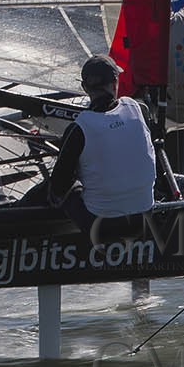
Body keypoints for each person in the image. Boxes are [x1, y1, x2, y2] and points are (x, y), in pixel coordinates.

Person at [32, 55, 157, 236]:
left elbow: (58, 187)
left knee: (55, 187)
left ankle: (11, 212)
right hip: (145, 216)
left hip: (101, 228)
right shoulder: (138, 109)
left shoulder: (80, 128)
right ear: (116, 82)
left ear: (85, 88)